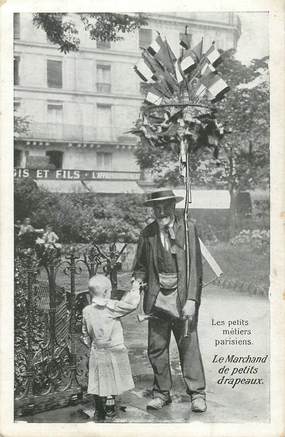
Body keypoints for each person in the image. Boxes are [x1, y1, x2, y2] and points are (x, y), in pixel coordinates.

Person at [133, 189, 206, 413]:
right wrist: (137, 282)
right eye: (157, 207)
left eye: (165, 206)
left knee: (188, 346)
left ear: (173, 207)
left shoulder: (188, 229)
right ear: (153, 210)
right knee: (156, 348)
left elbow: (195, 269)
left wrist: (192, 299)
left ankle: (197, 394)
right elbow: (140, 267)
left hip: (183, 298)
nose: (161, 211)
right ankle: (161, 393)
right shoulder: (147, 234)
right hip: (157, 299)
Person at [81, 274, 141, 422]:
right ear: (107, 292)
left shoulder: (87, 310)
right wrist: (135, 289)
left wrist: (92, 344)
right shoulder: (111, 306)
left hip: (97, 350)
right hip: (114, 349)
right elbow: (131, 305)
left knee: (97, 379)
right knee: (113, 380)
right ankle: (110, 408)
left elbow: (85, 333)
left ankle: (98, 409)